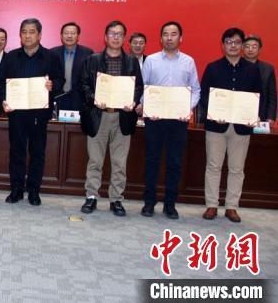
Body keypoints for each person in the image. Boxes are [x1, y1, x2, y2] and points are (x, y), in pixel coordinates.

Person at [79, 20, 143, 217]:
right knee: (95, 160)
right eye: (112, 34)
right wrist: (94, 98)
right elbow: (83, 85)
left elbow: (138, 87)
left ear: (124, 38)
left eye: (119, 34)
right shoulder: (92, 60)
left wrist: (132, 101)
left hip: (122, 117)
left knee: (119, 162)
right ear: (105, 37)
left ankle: (116, 199)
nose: (116, 37)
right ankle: (91, 196)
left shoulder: (131, 62)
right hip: (99, 116)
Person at [0, 18, 63, 206]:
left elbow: (60, 80)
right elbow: (0, 82)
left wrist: (53, 85)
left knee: (37, 153)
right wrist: (3, 100)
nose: (27, 35)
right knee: (17, 152)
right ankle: (16, 189)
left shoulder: (51, 57)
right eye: (24, 32)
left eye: (32, 32)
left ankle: (34, 191)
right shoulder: (11, 57)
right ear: (20, 35)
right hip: (16, 113)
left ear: (39, 35)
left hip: (39, 113)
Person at [198, 28, 262, 223]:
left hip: (242, 127)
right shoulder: (213, 67)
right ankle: (211, 205)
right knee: (213, 166)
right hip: (216, 126)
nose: (233, 45)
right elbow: (204, 95)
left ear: (241, 45)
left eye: (236, 42)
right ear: (223, 45)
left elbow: (257, 96)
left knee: (237, 169)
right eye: (229, 42)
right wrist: (213, 113)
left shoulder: (252, 70)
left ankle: (232, 207)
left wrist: (254, 115)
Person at [138, 22, 200, 219]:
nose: (169, 37)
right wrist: (147, 106)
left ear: (180, 38)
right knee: (152, 161)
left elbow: (196, 90)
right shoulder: (151, 60)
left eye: (173, 34)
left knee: (174, 162)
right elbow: (142, 88)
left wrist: (188, 108)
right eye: (165, 34)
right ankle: (149, 203)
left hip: (178, 121)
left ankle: (170, 204)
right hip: (155, 119)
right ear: (161, 38)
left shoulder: (188, 62)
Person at [51, 22, 93, 112]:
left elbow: (90, 79)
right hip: (58, 98)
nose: (69, 36)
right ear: (61, 36)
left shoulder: (88, 53)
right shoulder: (53, 53)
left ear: (78, 36)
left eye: (73, 33)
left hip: (80, 100)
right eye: (66, 33)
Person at [243, 35, 276, 124]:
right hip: (240, 114)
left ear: (259, 49)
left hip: (261, 114)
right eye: (247, 46)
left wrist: (270, 117)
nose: (250, 49)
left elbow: (272, 96)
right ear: (242, 48)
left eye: (254, 47)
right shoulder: (235, 67)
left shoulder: (268, 69)